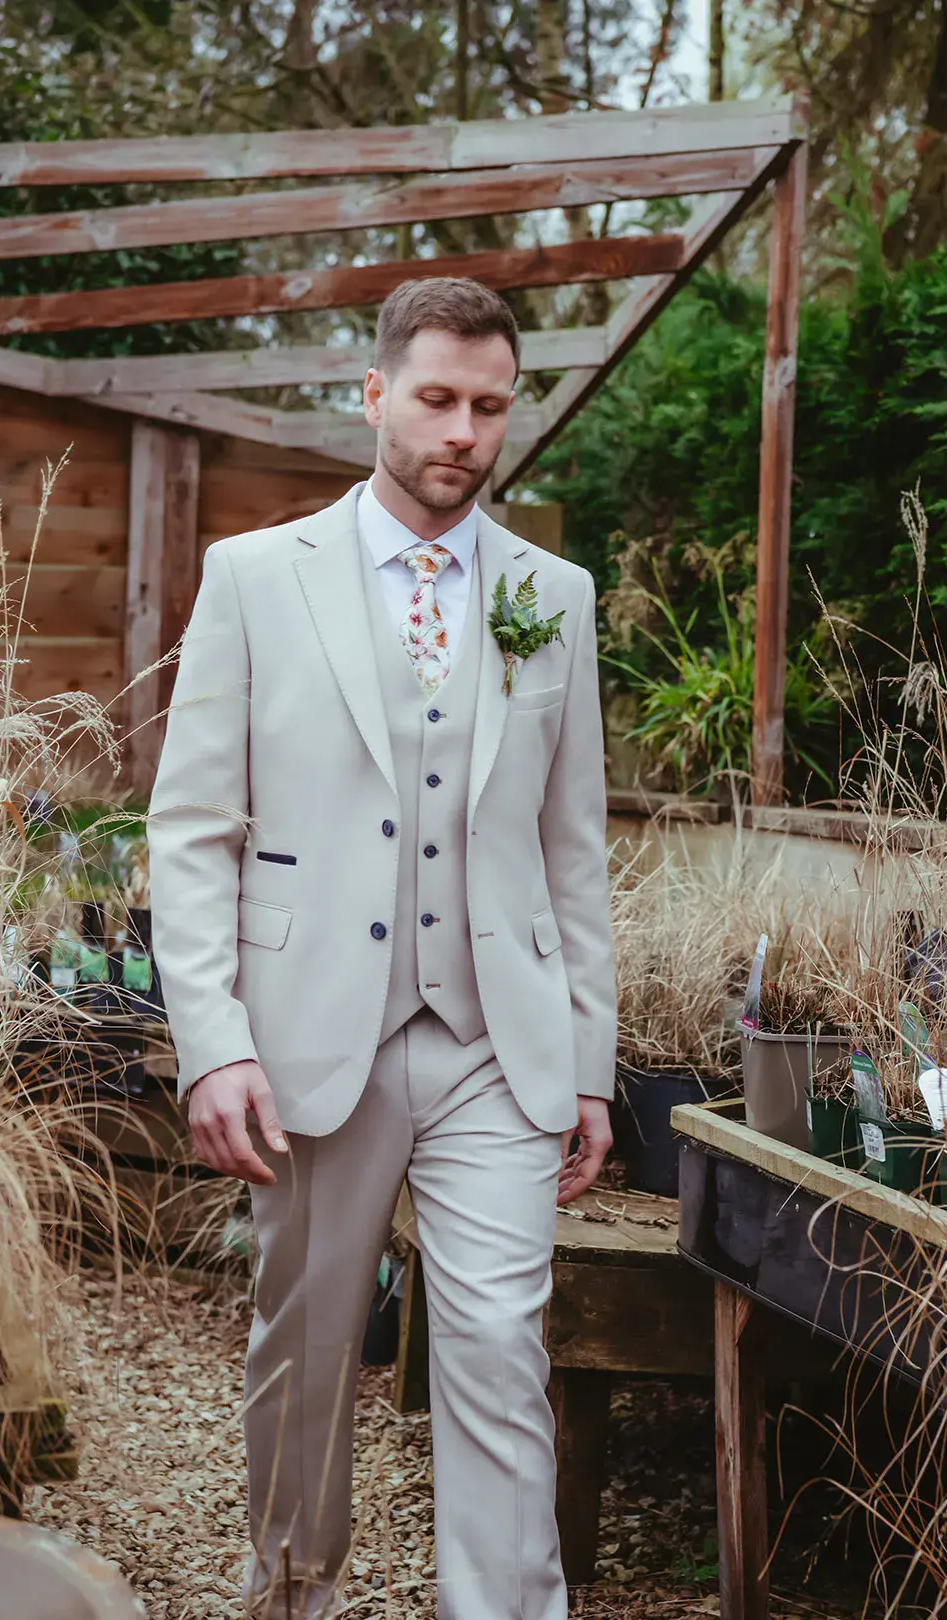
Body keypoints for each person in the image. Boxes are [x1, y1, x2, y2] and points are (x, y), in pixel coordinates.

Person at [146, 275, 617, 1620]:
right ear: (375, 396)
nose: (465, 432)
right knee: (303, 1346)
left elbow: (571, 845)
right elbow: (190, 833)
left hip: (493, 1042)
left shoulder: (555, 596)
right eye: (437, 400)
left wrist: (590, 1061)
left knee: (496, 1347)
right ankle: (293, 1585)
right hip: (308, 1034)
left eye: (489, 406)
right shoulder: (253, 577)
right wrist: (213, 1043)